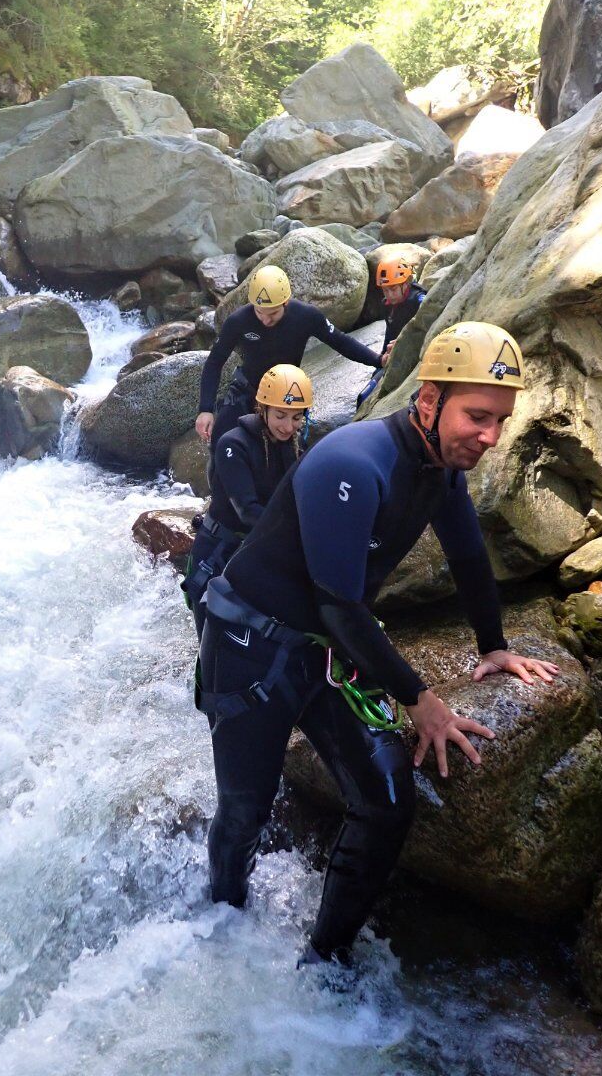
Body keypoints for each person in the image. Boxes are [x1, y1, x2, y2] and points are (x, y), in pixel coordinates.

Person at [195, 321, 558, 965]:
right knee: (245, 809)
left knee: (388, 805)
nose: (491, 436)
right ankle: (221, 922)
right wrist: (422, 701)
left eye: (500, 420)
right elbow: (340, 607)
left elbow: (470, 556)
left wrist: (494, 645)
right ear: (427, 400)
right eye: (478, 416)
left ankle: (324, 960)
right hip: (250, 642)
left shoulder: (438, 471)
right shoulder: (353, 462)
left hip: (325, 650)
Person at [195, 265, 381, 463]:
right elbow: (215, 362)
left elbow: (341, 342)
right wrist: (205, 409)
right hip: (247, 390)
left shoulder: (305, 316)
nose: (266, 320)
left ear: (285, 302)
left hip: (284, 397)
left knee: (290, 455)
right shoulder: (238, 321)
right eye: (260, 312)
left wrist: (378, 360)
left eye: (273, 313)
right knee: (220, 442)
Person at [183, 365, 313, 639]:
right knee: (214, 644)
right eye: (280, 416)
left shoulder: (293, 444)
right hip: (218, 554)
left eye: (297, 417)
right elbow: (247, 511)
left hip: (257, 550)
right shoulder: (233, 444)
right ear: (261, 407)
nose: (288, 426)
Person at [356, 258, 427, 407]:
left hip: (416, 356)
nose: (389, 295)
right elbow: (389, 335)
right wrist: (381, 361)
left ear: (406, 283)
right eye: (385, 290)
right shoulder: (388, 305)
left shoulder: (419, 299)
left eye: (393, 289)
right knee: (364, 396)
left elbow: (429, 327)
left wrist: (404, 341)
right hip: (395, 356)